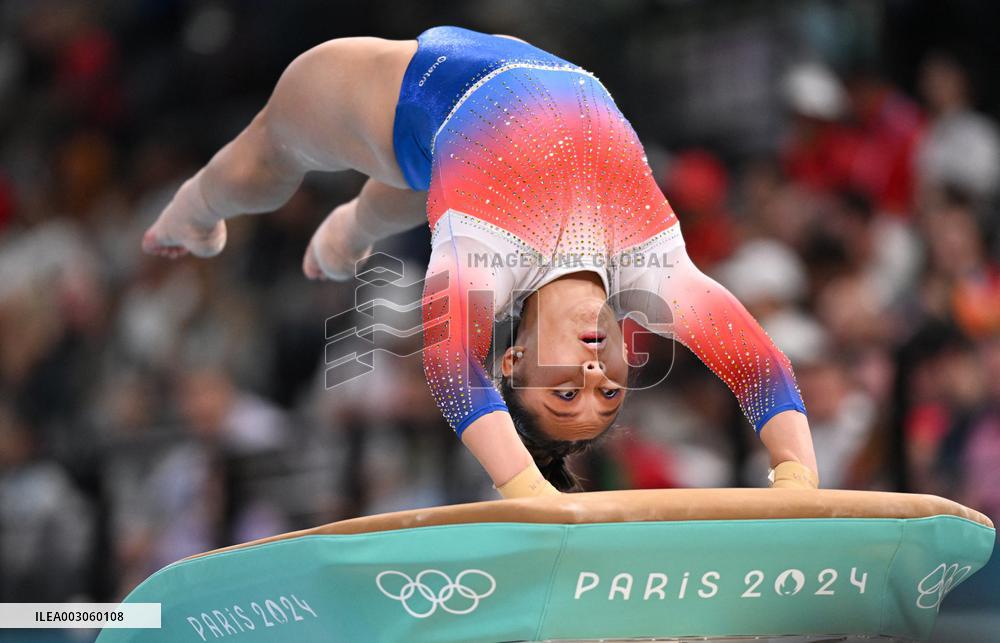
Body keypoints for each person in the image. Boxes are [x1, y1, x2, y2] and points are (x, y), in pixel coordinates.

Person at [143, 27, 818, 497]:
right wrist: (797, 477)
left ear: (513, 363)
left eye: (564, 392)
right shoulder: (652, 271)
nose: (591, 374)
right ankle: (352, 227)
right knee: (417, 188)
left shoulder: (486, 260)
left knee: (267, 160)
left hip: (401, 96)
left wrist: (525, 487)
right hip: (473, 122)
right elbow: (757, 362)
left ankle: (196, 208)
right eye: (607, 391)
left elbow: (447, 362)